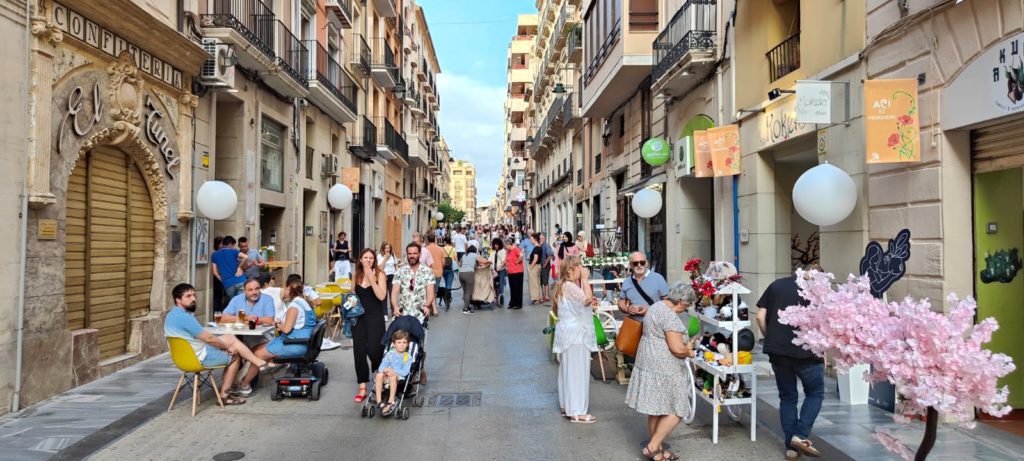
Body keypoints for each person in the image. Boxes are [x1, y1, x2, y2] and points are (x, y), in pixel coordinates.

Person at [625, 282, 700, 461]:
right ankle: (652, 447)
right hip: (664, 366)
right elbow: (677, 349)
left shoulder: (656, 306)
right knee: (678, 408)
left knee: (656, 408)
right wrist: (689, 351)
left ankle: (658, 451)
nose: (686, 309)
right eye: (687, 305)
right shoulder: (670, 316)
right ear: (681, 300)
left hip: (648, 361)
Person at [164, 283, 271, 405]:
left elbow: (207, 338)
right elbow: (209, 339)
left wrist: (225, 344)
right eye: (188, 296)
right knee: (235, 355)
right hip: (199, 357)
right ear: (178, 300)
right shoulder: (185, 318)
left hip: (182, 359)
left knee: (230, 337)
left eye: (194, 295)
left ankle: (257, 362)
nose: (193, 299)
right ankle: (225, 396)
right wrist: (227, 348)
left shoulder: (172, 315)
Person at [757, 270, 825, 459]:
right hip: (808, 353)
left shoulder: (777, 285)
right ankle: (800, 435)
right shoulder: (819, 292)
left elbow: (760, 317)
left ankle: (791, 448)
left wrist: (770, 336)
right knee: (815, 393)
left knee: (787, 398)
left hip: (778, 351)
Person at [236, 276, 318, 395]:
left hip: (295, 344)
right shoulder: (304, 303)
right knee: (258, 349)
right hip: (301, 341)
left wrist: (276, 321)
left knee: (258, 354)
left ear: (288, 288)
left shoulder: (294, 307)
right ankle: (244, 381)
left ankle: (244, 385)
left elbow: (286, 329)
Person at [551, 255, 597, 423]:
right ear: (571, 269)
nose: (582, 269)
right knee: (578, 372)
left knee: (568, 371)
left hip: (568, 334)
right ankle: (577, 411)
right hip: (576, 335)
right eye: (579, 266)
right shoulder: (571, 286)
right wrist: (585, 281)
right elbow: (586, 300)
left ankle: (568, 405)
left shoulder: (563, 286)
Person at [352, 248, 388, 404]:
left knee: (375, 349)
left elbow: (381, 296)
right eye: (365, 257)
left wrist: (371, 277)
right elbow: (352, 295)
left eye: (371, 258)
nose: (368, 260)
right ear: (360, 259)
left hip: (375, 317)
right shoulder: (355, 275)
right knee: (359, 351)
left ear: (374, 260)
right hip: (358, 318)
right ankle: (362, 386)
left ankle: (380, 377)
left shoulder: (380, 274)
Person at [390, 243, 436, 324]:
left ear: (420, 254)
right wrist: (395, 307)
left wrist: (427, 305)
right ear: (407, 255)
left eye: (415, 253)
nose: (412, 256)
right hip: (403, 315)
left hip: (420, 315)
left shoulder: (428, 272)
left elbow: (430, 293)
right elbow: (394, 293)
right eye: (409, 253)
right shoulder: (400, 271)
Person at [617, 252, 670, 319]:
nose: (639, 265)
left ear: (646, 263)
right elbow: (621, 301)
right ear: (630, 265)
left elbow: (668, 302)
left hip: (655, 323)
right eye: (635, 263)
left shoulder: (658, 278)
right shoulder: (627, 282)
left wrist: (650, 309)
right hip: (634, 324)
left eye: (642, 262)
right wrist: (627, 309)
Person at [374, 329, 414, 416]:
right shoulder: (390, 354)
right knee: (379, 375)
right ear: (394, 343)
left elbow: (405, 372)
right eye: (399, 342)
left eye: (404, 343)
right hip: (387, 376)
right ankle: (378, 400)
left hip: (398, 378)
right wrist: (384, 370)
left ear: (407, 344)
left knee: (392, 376)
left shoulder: (407, 357)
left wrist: (393, 371)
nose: (402, 345)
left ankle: (391, 400)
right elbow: (381, 367)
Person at [211, 235, 247, 301]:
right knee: (241, 303)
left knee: (232, 304)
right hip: (240, 280)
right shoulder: (234, 251)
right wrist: (239, 267)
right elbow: (245, 257)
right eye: (233, 245)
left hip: (228, 283)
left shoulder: (214, 255)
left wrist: (223, 280)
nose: (233, 247)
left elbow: (214, 272)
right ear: (230, 244)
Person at [425, 234, 446, 316]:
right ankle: (434, 307)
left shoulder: (426, 249)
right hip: (438, 272)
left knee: (428, 290)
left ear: (428, 240)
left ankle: (431, 307)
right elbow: (443, 261)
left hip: (428, 272)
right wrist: (440, 266)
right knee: (435, 290)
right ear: (435, 240)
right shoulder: (440, 249)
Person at [458, 246, 483, 314]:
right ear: (475, 250)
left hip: (461, 273)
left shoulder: (464, 255)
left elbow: (460, 264)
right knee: (468, 292)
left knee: (465, 291)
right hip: (469, 274)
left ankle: (467, 307)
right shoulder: (475, 255)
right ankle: (465, 309)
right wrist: (489, 262)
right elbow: (483, 261)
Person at [378, 243, 398, 309]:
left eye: (388, 248)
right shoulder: (379, 256)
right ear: (383, 249)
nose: (387, 249)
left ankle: (394, 312)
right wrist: (385, 258)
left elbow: (396, 265)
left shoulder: (392, 254)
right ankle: (384, 313)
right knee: (384, 295)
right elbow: (380, 268)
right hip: (383, 276)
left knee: (392, 294)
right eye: (386, 248)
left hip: (392, 276)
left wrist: (397, 274)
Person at [505, 238, 524, 310]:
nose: (505, 247)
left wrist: (517, 261)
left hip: (517, 271)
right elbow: (507, 260)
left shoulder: (515, 249)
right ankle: (512, 302)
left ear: (509, 244)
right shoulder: (508, 251)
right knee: (512, 288)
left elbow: (521, 256)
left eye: (506, 246)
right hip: (510, 272)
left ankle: (518, 303)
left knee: (517, 288)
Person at [441, 237, 458, 311]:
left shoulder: (442, 249)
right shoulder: (453, 249)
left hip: (444, 268)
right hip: (450, 268)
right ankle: (448, 299)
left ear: (445, 242)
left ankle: (446, 299)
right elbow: (456, 259)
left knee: (445, 283)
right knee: (449, 285)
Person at [490, 238, 508, 307]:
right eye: (494, 245)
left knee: (501, 282)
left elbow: (504, 260)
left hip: (501, 269)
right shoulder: (493, 251)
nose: (495, 246)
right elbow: (490, 259)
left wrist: (500, 266)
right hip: (494, 270)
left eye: (497, 245)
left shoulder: (503, 251)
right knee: (493, 283)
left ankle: (500, 294)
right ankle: (496, 295)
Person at [528, 233, 544, 305]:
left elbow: (535, 259)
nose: (530, 240)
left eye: (531, 239)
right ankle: (540, 297)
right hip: (538, 266)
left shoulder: (536, 248)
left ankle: (536, 298)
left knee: (534, 283)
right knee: (537, 282)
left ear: (535, 239)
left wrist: (530, 267)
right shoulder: (539, 247)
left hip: (535, 267)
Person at [539, 233, 557, 301]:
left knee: (545, 281)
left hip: (545, 265)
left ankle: (546, 296)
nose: (540, 239)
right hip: (540, 265)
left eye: (542, 238)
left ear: (544, 238)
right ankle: (542, 295)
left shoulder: (546, 245)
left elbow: (550, 255)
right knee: (540, 280)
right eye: (540, 238)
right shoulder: (540, 245)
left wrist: (545, 263)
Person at [212, 236, 226, 310]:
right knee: (217, 297)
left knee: (221, 297)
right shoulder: (215, 253)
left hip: (222, 277)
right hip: (218, 278)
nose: (223, 245)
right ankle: (216, 314)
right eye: (222, 243)